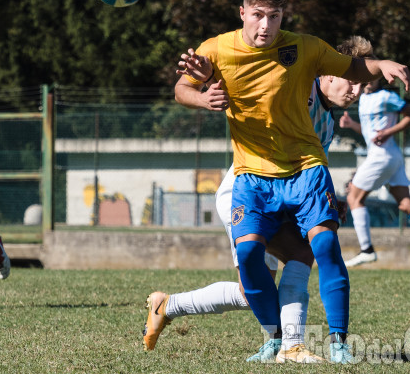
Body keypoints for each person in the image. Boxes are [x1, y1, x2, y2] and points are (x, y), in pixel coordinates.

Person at [170, 0, 409, 364]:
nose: (266, 26)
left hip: (303, 172)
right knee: (251, 262)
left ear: (284, 16)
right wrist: (203, 94)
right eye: (259, 15)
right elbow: (182, 88)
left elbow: (352, 66)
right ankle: (270, 337)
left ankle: (331, 344)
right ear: (243, 12)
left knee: (319, 249)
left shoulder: (306, 52)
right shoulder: (217, 49)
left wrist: (379, 65)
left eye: (275, 16)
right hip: (249, 177)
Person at [143, 37, 372, 363]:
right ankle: (288, 346)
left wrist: (329, 199)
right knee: (301, 254)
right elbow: (250, 84)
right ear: (330, 72)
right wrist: (209, 82)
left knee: (253, 292)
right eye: (353, 82)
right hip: (246, 190)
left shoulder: (328, 123)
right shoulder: (298, 82)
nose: (357, 92)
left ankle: (169, 306)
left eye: (363, 86)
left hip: (277, 195)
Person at [338, 36, 410, 270]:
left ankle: (367, 250)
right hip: (390, 156)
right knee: (405, 203)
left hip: (382, 156)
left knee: (353, 197)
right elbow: (372, 133)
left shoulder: (386, 97)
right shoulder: (363, 99)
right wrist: (352, 126)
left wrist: (389, 131)